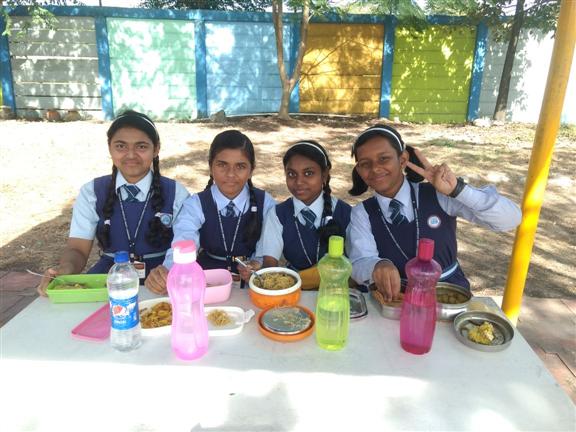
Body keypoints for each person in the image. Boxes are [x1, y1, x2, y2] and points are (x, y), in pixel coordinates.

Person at [346, 124, 522, 301]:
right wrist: (376, 266)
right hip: (396, 300)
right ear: (359, 170)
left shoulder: (439, 194)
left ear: (403, 159)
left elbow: (510, 219)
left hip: (448, 296)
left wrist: (458, 190)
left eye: (384, 159)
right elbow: (360, 260)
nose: (375, 168)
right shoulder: (362, 213)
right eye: (365, 164)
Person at [37, 110, 189, 295]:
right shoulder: (92, 192)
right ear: (109, 148)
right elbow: (77, 249)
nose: (130, 155)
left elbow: (186, 244)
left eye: (141, 146)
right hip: (109, 281)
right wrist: (65, 269)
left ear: (156, 149)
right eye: (121, 146)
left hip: (161, 279)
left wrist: (168, 271)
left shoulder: (176, 193)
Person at [145, 130, 275, 294]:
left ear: (251, 169)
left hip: (251, 286)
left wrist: (257, 263)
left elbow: (267, 246)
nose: (230, 174)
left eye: (240, 166)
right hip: (206, 284)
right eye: (222, 165)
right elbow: (184, 239)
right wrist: (169, 271)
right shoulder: (196, 204)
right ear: (210, 167)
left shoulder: (266, 202)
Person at [260, 140, 351, 289]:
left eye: (308, 173)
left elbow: (356, 263)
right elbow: (270, 264)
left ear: (324, 174)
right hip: (293, 289)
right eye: (291, 174)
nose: (299, 182)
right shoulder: (278, 214)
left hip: (334, 291)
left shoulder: (345, 213)